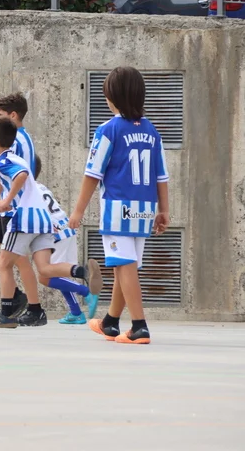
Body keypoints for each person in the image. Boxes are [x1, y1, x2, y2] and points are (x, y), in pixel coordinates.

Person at [69, 66, 170, 345]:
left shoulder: (108, 130)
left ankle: (139, 327)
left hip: (117, 208)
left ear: (112, 97)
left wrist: (77, 211)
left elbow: (92, 174)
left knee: (124, 265)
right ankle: (111, 322)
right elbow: (161, 176)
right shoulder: (152, 131)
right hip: (145, 208)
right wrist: (164, 210)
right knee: (124, 265)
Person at [0, 118, 100, 329]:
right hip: (43, 221)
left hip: (24, 219)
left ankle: (6, 314)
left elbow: (21, 175)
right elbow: (24, 174)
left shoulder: (3, 160)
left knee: (4, 264)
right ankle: (81, 272)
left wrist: (7, 201)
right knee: (45, 268)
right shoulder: (20, 159)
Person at [0, 93, 37, 320]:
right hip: (11, 206)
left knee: (16, 259)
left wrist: (4, 200)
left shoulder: (16, 141)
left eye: (1, 115)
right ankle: (16, 297)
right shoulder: (21, 138)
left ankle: (26, 305)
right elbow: (5, 176)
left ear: (13, 116)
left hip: (15, 209)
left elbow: (18, 174)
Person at [32, 155, 99, 325]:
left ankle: (86, 291)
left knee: (44, 277)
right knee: (59, 275)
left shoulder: (27, 190)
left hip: (55, 234)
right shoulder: (41, 187)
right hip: (66, 228)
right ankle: (76, 312)